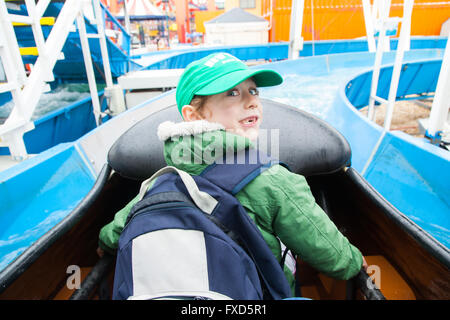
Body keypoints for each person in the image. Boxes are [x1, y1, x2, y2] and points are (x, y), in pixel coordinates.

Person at [97, 52, 367, 296]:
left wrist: (104, 246)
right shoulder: (274, 180)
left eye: (254, 91)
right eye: (233, 94)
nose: (252, 102)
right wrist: (355, 262)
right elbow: (331, 254)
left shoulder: (158, 183)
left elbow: (111, 235)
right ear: (192, 115)